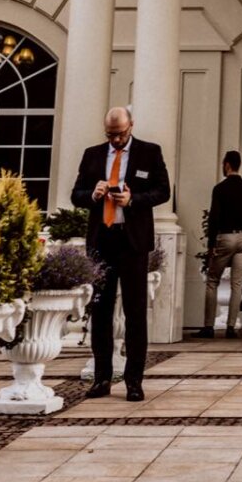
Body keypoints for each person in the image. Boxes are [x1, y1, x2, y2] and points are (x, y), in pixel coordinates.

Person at [72, 106, 171, 401]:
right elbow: (75, 194)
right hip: (102, 241)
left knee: (135, 312)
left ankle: (133, 381)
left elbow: (163, 191)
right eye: (111, 135)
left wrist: (132, 199)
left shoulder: (149, 152)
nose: (116, 139)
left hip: (132, 243)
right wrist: (93, 194)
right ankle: (102, 378)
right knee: (100, 312)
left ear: (131, 126)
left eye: (121, 134)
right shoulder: (92, 155)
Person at [198, 149, 242, 339]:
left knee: (212, 280)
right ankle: (231, 326)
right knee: (237, 283)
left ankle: (209, 326)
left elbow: (215, 218)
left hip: (225, 237)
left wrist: (211, 244)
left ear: (227, 165)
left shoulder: (220, 189)